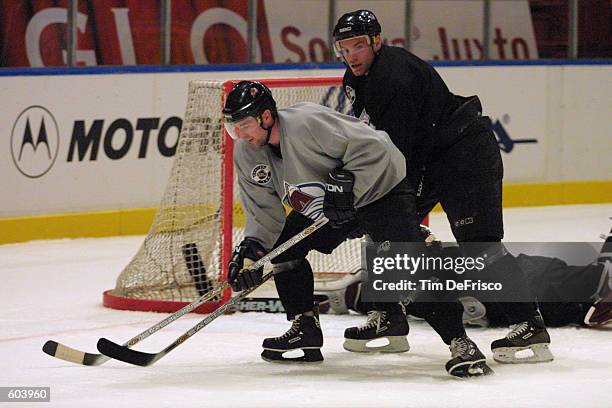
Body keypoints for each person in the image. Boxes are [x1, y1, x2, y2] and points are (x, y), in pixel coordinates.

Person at [223, 80, 493, 377]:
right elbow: (263, 213)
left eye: (245, 125)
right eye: (234, 127)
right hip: (327, 207)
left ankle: (461, 342)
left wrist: (351, 188)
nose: (241, 135)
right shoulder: (248, 153)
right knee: (286, 249)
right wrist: (253, 252)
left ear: (266, 116)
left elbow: (378, 146)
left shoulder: (306, 122)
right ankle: (305, 329)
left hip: (380, 192)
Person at [332, 9, 553, 364]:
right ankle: (388, 316)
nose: (351, 55)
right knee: (382, 226)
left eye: (358, 46)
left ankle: (529, 322)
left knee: (480, 247)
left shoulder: (395, 78)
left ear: (376, 41)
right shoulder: (359, 77)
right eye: (344, 48)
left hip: (465, 155)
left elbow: (397, 150)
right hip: (430, 158)